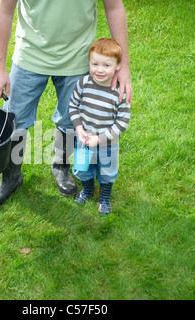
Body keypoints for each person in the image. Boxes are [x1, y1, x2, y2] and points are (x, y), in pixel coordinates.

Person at [0, 0, 132, 209]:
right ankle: (11, 178)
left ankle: (61, 166)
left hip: (77, 59)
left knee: (71, 119)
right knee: (13, 121)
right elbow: (4, 11)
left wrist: (123, 65)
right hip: (29, 57)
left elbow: (114, 7)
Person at [69, 38, 130, 215]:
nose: (100, 70)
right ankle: (88, 189)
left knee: (107, 172)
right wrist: (79, 129)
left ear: (118, 65)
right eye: (95, 64)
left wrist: (100, 139)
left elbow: (122, 122)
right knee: (82, 168)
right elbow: (73, 107)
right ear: (89, 62)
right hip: (84, 139)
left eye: (106, 65)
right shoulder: (83, 83)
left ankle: (104, 197)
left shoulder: (120, 91)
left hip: (107, 144)